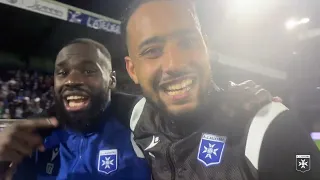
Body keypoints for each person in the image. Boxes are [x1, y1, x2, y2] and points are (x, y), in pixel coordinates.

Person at [122, 0, 320, 180]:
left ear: (206, 48)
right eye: (152, 51)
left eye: (187, 42)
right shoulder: (138, 115)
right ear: (132, 70)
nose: (175, 64)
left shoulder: (268, 129)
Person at [0, 38, 150, 180]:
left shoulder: (144, 132)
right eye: (62, 73)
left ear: (112, 80)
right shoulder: (33, 140)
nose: (71, 81)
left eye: (88, 71)